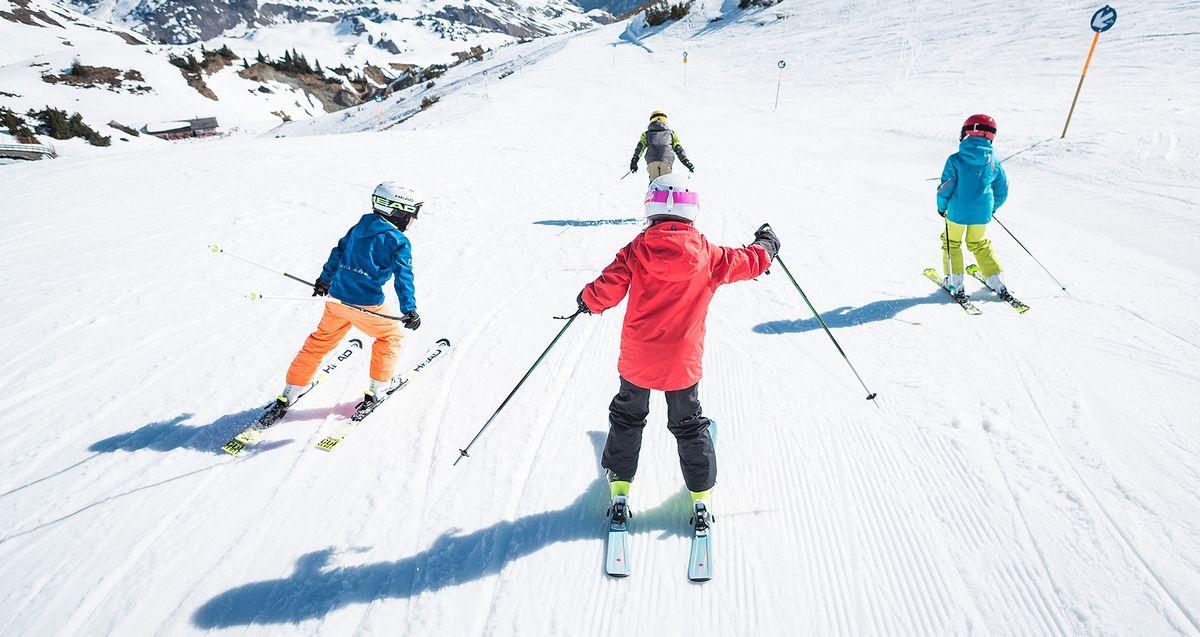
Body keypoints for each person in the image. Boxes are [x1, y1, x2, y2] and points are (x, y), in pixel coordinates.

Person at [576, 174, 780, 527]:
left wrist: (586, 301)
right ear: (692, 212)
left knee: (627, 418)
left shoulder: (636, 250)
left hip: (638, 359)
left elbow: (607, 288)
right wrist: (767, 245)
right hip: (681, 364)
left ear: (650, 209)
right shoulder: (710, 256)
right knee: (687, 424)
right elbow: (749, 261)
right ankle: (700, 498)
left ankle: (620, 489)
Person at [273, 181, 423, 417]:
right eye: (412, 214)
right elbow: (404, 276)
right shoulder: (398, 241)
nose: (413, 220)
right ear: (399, 211)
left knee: (319, 342)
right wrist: (409, 309)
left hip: (336, 299)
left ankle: (291, 391)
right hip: (366, 304)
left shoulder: (360, 226)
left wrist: (324, 281)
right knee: (389, 336)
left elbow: (338, 251)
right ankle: (378, 390)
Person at [937, 114, 1010, 300]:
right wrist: (992, 208)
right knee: (978, 243)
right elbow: (1002, 190)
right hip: (982, 213)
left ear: (967, 132)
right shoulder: (994, 163)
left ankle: (955, 281)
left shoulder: (955, 159)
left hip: (957, 213)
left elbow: (946, 187)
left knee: (951, 243)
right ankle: (995, 278)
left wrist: (942, 206)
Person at [629, 110, 695, 181]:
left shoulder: (646, 134)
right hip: (667, 160)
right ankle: (666, 191)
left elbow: (640, 148)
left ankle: (654, 190)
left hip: (652, 160)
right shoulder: (671, 133)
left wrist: (634, 161)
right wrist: (685, 161)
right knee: (665, 182)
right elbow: (678, 148)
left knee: (654, 182)